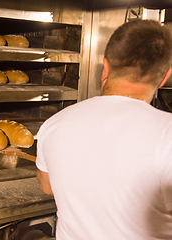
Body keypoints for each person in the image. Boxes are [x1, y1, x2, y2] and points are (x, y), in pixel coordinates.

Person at [36, 19, 172, 240]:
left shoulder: (54, 123)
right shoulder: (167, 134)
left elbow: (47, 186)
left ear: (105, 67)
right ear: (164, 78)